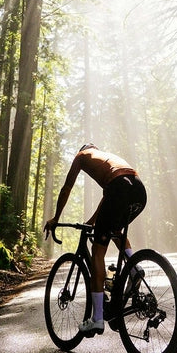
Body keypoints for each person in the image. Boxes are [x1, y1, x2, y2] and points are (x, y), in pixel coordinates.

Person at [43, 143, 147, 336]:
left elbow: (66, 188)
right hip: (139, 190)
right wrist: (92, 222)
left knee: (97, 251)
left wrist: (56, 218)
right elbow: (108, 201)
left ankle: (97, 319)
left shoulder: (82, 155)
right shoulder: (108, 159)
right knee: (116, 230)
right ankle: (134, 269)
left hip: (118, 190)